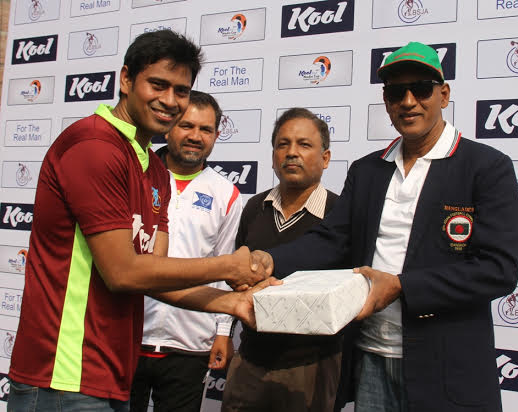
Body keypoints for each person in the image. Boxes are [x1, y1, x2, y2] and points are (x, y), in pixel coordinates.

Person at [8, 30, 273, 412]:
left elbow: (156, 276)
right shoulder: (95, 147)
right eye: (158, 85)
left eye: (181, 90)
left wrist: (233, 303)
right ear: (127, 79)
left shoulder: (155, 171)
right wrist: (229, 266)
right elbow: (123, 272)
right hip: (62, 377)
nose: (170, 101)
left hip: (111, 373)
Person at [254, 42, 518, 412]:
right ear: (386, 100)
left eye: (421, 89)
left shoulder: (486, 167)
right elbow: (332, 242)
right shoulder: (367, 170)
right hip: (370, 358)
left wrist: (400, 287)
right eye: (397, 92)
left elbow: (498, 270)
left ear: (443, 95)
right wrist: (267, 261)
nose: (408, 101)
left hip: (447, 367)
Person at [222, 108, 342, 412]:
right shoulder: (253, 208)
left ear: (326, 158)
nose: (292, 153)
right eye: (282, 144)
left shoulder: (340, 214)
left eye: (304, 144)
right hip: (249, 358)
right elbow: (236, 279)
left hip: (311, 366)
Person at [129, 91, 241, 412]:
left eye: (206, 130)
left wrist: (222, 332)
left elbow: (224, 270)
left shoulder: (226, 194)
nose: (195, 136)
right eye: (186, 125)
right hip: (129, 335)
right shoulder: (137, 175)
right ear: (168, 128)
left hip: (191, 344)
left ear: (217, 136)